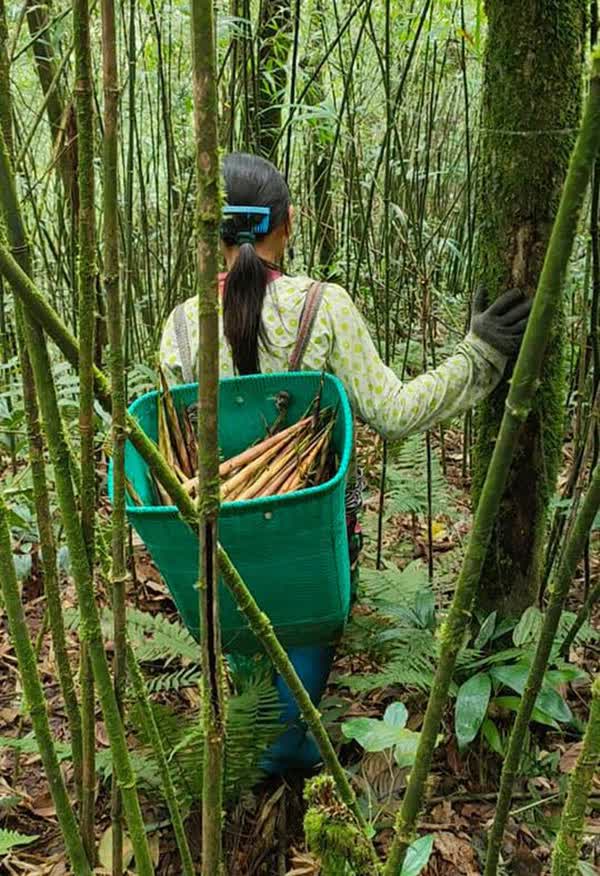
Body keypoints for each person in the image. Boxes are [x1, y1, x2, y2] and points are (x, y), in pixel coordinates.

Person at [159, 151, 531, 772]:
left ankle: (270, 752)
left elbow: (176, 450)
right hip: (316, 538)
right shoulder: (323, 307)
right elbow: (393, 411)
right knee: (300, 653)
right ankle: (293, 761)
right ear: (289, 223)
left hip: (222, 545)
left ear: (213, 234)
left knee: (253, 661)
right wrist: (478, 355)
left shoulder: (179, 328)